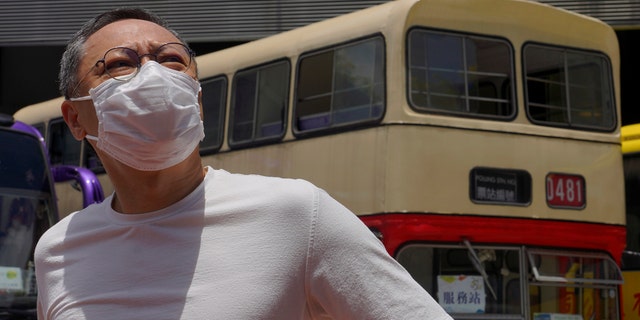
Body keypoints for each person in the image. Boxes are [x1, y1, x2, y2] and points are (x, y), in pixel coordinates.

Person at [34, 7, 453, 320]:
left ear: (196, 99)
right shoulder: (57, 253)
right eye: (120, 64)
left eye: (172, 60)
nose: (154, 76)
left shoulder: (299, 215)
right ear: (75, 118)